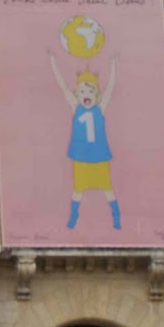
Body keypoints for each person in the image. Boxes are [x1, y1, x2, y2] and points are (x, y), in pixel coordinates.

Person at [47, 50, 120, 230]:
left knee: (107, 188)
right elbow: (62, 86)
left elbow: (110, 88)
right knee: (78, 190)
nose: (86, 94)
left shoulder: (100, 108)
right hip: (81, 158)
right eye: (82, 91)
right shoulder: (75, 107)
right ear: (77, 95)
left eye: (90, 91)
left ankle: (116, 215)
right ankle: (74, 215)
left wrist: (114, 66)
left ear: (97, 95)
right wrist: (53, 62)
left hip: (99, 157)